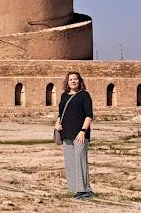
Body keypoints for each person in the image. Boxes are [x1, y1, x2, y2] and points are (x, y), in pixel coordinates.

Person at [55, 71, 94, 200]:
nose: (73, 81)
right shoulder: (64, 96)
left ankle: (84, 190)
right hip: (67, 133)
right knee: (70, 162)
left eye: (75, 79)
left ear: (79, 81)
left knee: (80, 161)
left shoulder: (84, 95)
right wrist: (57, 124)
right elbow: (60, 114)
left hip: (80, 134)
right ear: (67, 82)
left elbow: (89, 115)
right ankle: (75, 189)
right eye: (70, 79)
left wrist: (83, 131)